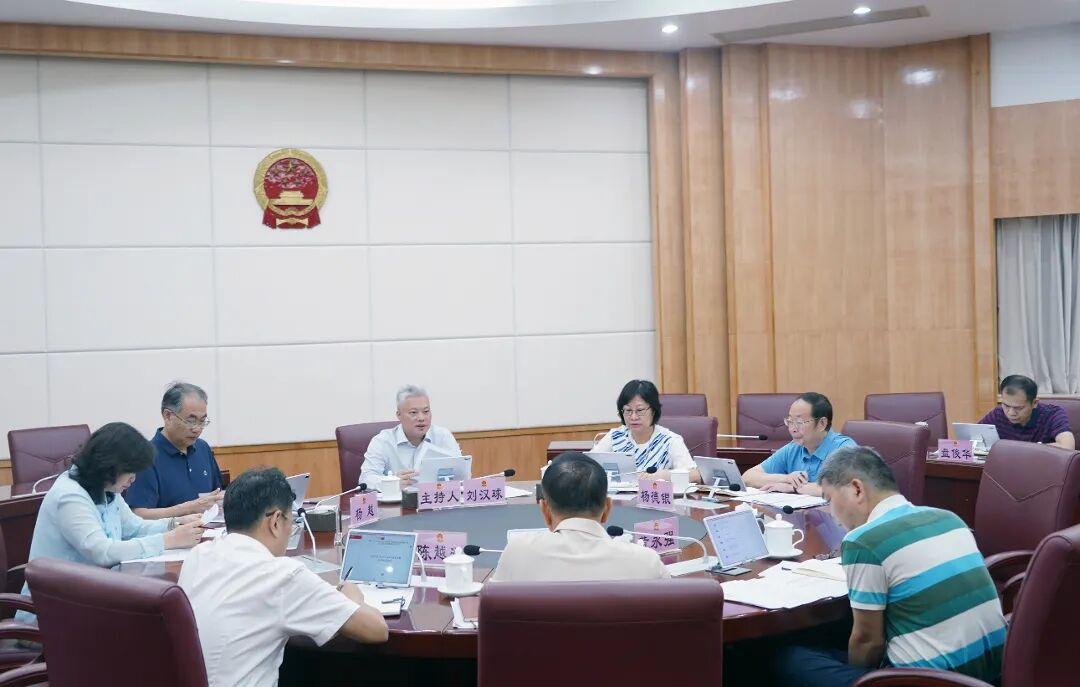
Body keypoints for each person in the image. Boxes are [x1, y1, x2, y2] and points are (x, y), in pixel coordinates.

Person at [774, 446, 1006, 687]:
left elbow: (868, 641)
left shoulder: (864, 540)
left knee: (788, 658)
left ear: (856, 489)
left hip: (930, 682)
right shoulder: (949, 518)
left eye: (829, 499)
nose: (831, 513)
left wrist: (859, 677)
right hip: (992, 674)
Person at [178, 467, 388, 687]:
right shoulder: (281, 575)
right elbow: (376, 630)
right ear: (276, 521)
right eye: (292, 522)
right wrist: (353, 597)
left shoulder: (198, 556)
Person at [17, 422, 204, 623]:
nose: (133, 479)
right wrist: (167, 540)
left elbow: (134, 528)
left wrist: (173, 524)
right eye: (130, 471)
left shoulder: (106, 488)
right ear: (110, 466)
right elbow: (102, 552)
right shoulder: (70, 496)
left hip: (89, 600)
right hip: (53, 614)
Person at [490, 452, 669, 582]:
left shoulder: (518, 553)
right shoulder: (646, 563)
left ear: (545, 510)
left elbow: (493, 613)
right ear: (607, 508)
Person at [125, 382, 225, 519]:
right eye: (190, 421)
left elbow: (216, 494)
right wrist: (188, 509)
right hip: (169, 532)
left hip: (210, 529)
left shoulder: (203, 448)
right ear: (167, 416)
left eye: (202, 421)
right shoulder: (146, 456)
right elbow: (138, 515)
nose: (197, 428)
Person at [742, 392, 854, 497]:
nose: (792, 429)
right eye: (790, 421)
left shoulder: (844, 450)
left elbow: (846, 489)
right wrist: (786, 479)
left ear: (822, 423)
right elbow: (747, 477)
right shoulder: (793, 448)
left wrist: (794, 488)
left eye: (799, 422)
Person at [592, 379, 699, 482]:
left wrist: (665, 475)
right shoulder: (615, 437)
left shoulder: (669, 440)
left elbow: (695, 475)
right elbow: (588, 465)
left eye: (640, 410)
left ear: (653, 411)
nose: (633, 417)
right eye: (628, 410)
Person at [358, 384, 461, 487]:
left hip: (435, 495)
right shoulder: (383, 441)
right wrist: (391, 482)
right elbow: (366, 478)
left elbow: (460, 473)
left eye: (426, 411)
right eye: (413, 412)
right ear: (399, 415)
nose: (421, 418)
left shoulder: (442, 436)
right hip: (398, 497)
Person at [977, 374, 1074, 449]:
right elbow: (973, 439)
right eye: (1006, 405)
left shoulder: (1052, 415)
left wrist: (1025, 450)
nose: (1011, 413)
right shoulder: (998, 414)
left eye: (1018, 408)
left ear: (1034, 403)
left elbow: (1067, 447)